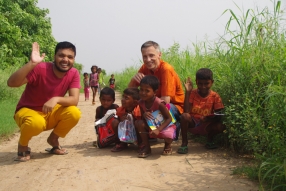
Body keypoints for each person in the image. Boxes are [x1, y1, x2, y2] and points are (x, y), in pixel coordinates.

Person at [7, 41, 81, 162]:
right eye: (61, 55)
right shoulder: (41, 68)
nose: (65, 60)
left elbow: (74, 100)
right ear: (54, 57)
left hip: (50, 112)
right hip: (28, 111)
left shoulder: (73, 73)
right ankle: (23, 144)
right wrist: (32, 64)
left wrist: (56, 99)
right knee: (35, 123)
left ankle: (53, 139)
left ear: (74, 59)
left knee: (74, 113)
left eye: (70, 57)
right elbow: (12, 83)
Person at [128, 41, 184, 141]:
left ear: (159, 55)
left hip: (173, 106)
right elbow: (129, 93)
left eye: (151, 55)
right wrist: (133, 80)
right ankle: (148, 133)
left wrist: (147, 111)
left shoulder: (166, 69)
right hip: (155, 105)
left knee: (157, 110)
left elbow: (165, 101)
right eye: (145, 56)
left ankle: (173, 127)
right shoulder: (145, 68)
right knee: (134, 107)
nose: (148, 59)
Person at [177, 68, 225, 154]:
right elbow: (186, 111)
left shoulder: (215, 96)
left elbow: (219, 116)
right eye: (200, 83)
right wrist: (188, 92)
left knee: (220, 126)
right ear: (196, 82)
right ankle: (184, 143)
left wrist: (208, 119)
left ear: (212, 82)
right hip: (193, 124)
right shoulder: (193, 93)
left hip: (207, 125)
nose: (203, 86)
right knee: (184, 116)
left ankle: (209, 141)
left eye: (206, 83)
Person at [135, 75, 176, 158]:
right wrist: (144, 114)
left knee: (169, 134)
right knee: (139, 123)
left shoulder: (159, 103)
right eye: (141, 90)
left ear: (155, 92)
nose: (143, 93)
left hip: (163, 126)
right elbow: (144, 119)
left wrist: (158, 129)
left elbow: (169, 119)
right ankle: (147, 147)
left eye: (147, 91)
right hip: (152, 126)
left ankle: (167, 145)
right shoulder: (141, 102)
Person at [110, 87, 141, 152]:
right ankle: (122, 143)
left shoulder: (139, 110)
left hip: (138, 134)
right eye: (123, 97)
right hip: (126, 134)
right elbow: (118, 120)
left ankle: (141, 143)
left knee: (138, 123)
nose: (122, 100)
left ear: (135, 102)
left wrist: (134, 117)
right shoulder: (121, 110)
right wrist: (121, 120)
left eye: (126, 98)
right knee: (114, 122)